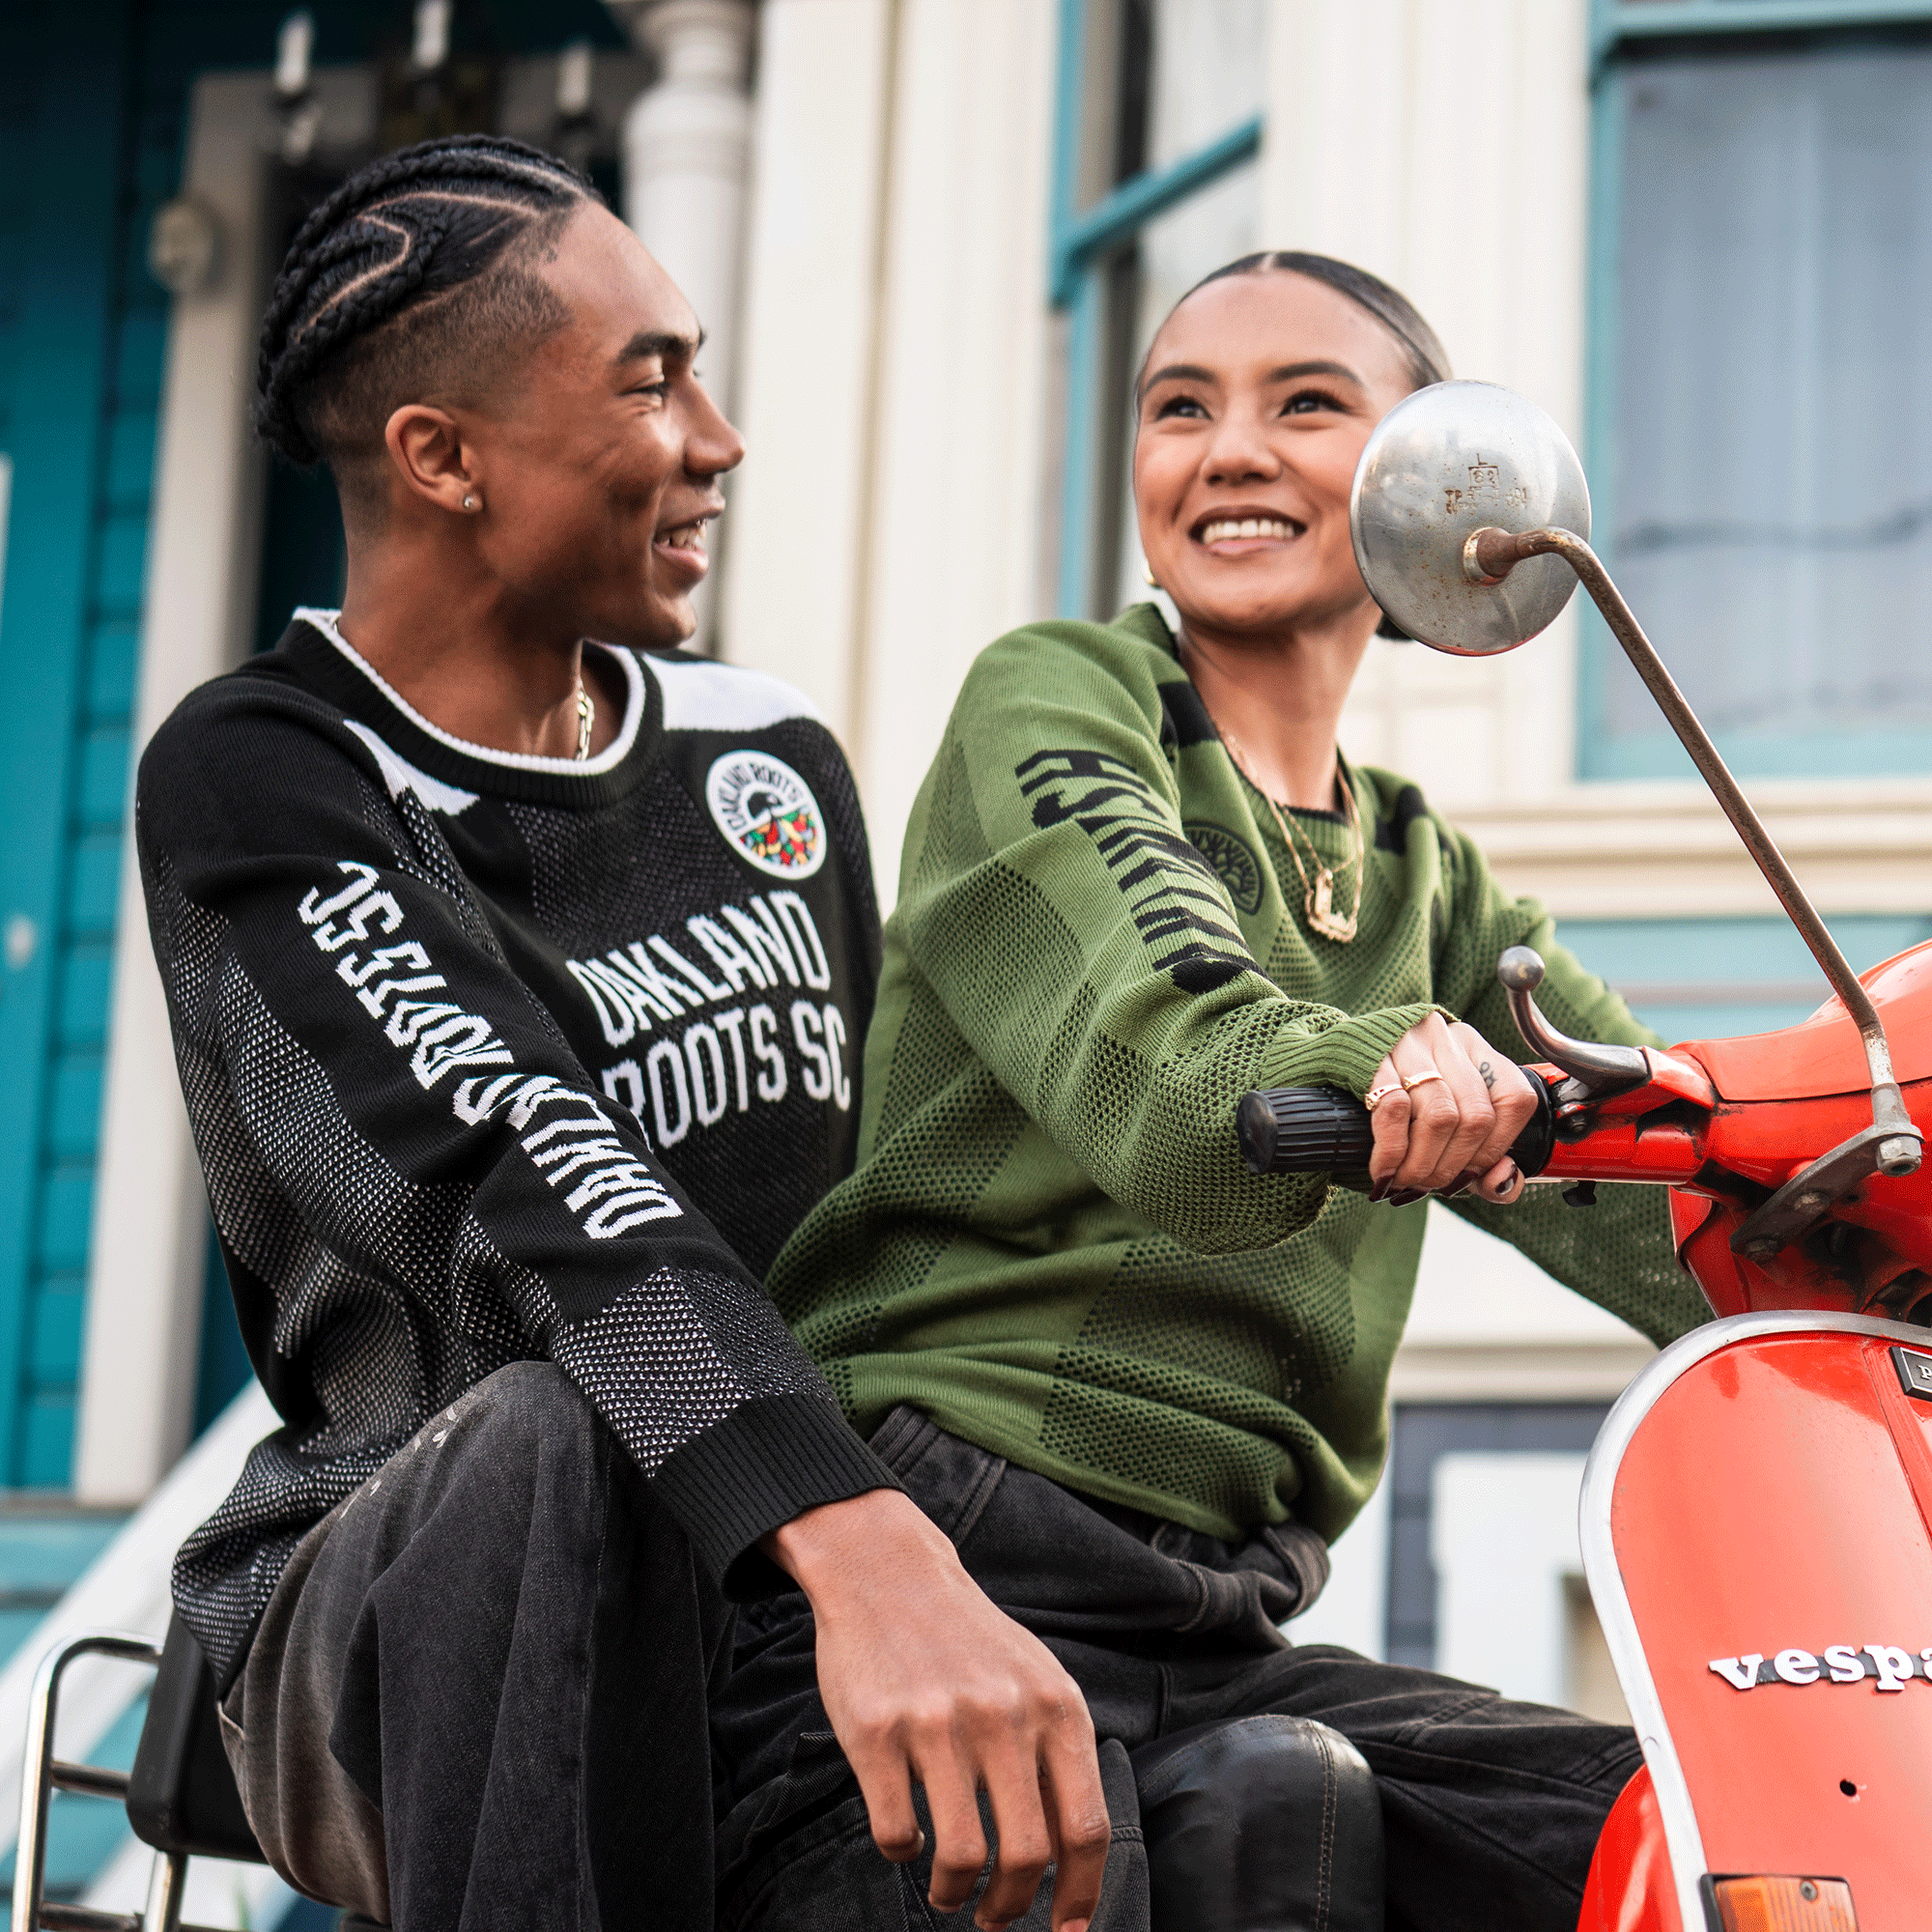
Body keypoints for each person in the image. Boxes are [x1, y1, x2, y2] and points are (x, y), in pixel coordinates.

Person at [136, 136, 1112, 1932]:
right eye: (654, 382)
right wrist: (861, 1539)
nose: (720, 441)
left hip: (774, 1592)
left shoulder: (763, 754)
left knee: (1252, 1795)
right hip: (401, 1602)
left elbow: (886, 1194)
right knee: (545, 1433)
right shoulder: (266, 769)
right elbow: (534, 1169)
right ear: (442, 456)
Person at [716, 253, 1713, 1932]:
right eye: (1179, 408)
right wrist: (1358, 1058)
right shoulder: (1062, 697)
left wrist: (1851, 1197)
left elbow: (1675, 1170)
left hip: (1223, 1624)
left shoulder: (1429, 881)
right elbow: (1171, 1044)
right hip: (954, 1552)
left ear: (1448, 483)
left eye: (1306, 404)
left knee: (1688, 1841)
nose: (1226, 448)